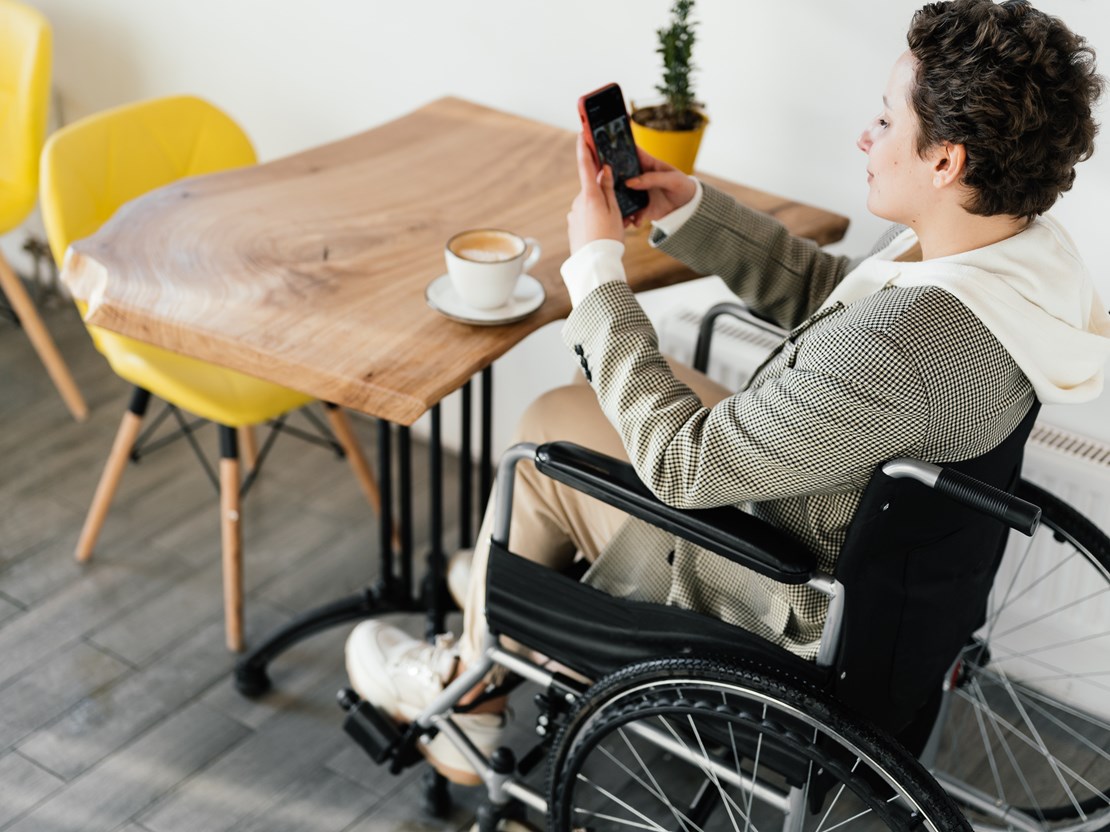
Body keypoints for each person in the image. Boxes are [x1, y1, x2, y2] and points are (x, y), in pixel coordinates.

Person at [345, 0, 1110, 786]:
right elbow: (837, 294)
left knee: (541, 450)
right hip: (861, 553)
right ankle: (507, 593)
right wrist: (696, 212)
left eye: (885, 121)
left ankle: (466, 701)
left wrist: (597, 274)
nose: (865, 136)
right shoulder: (1009, 253)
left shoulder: (908, 347)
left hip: (775, 588)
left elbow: (681, 466)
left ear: (946, 160)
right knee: (592, 404)